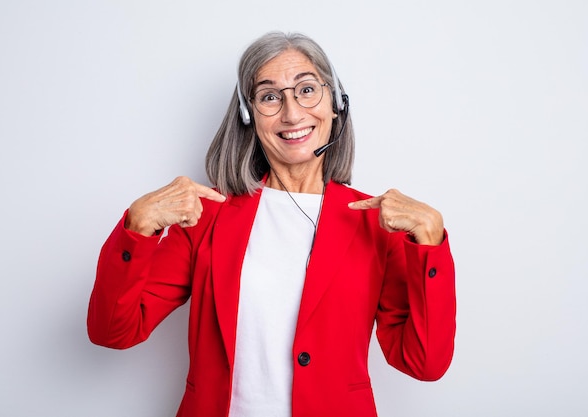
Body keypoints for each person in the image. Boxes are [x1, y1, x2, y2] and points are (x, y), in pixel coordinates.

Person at [87, 31, 456, 417]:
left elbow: (424, 363)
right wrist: (138, 227)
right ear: (248, 116)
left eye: (307, 90)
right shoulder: (207, 214)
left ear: (336, 104)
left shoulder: (374, 223)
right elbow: (113, 331)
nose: (292, 113)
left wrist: (430, 247)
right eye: (269, 97)